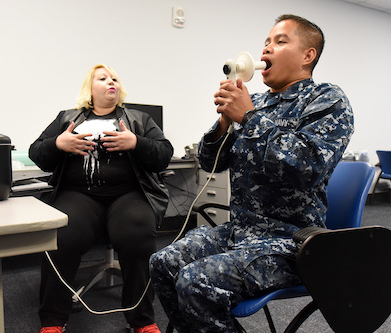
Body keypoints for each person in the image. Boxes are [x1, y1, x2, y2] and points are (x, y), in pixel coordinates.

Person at [149, 14, 354, 332]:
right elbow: (209, 162)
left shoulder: (326, 100)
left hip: (293, 243)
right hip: (241, 232)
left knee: (195, 282)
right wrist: (223, 123)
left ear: (307, 55)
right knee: (162, 263)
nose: (266, 49)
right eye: (266, 42)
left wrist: (249, 118)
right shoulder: (254, 102)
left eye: (280, 41)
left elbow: (308, 167)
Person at [29, 64, 173, 333]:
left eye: (115, 79)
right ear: (89, 89)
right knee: (62, 234)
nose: (111, 82)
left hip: (128, 195)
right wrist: (58, 144)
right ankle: (52, 320)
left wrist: (136, 143)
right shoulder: (67, 118)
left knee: (138, 233)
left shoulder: (138, 119)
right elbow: (37, 152)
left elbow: (164, 153)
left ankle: (141, 320)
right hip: (79, 195)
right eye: (103, 78)